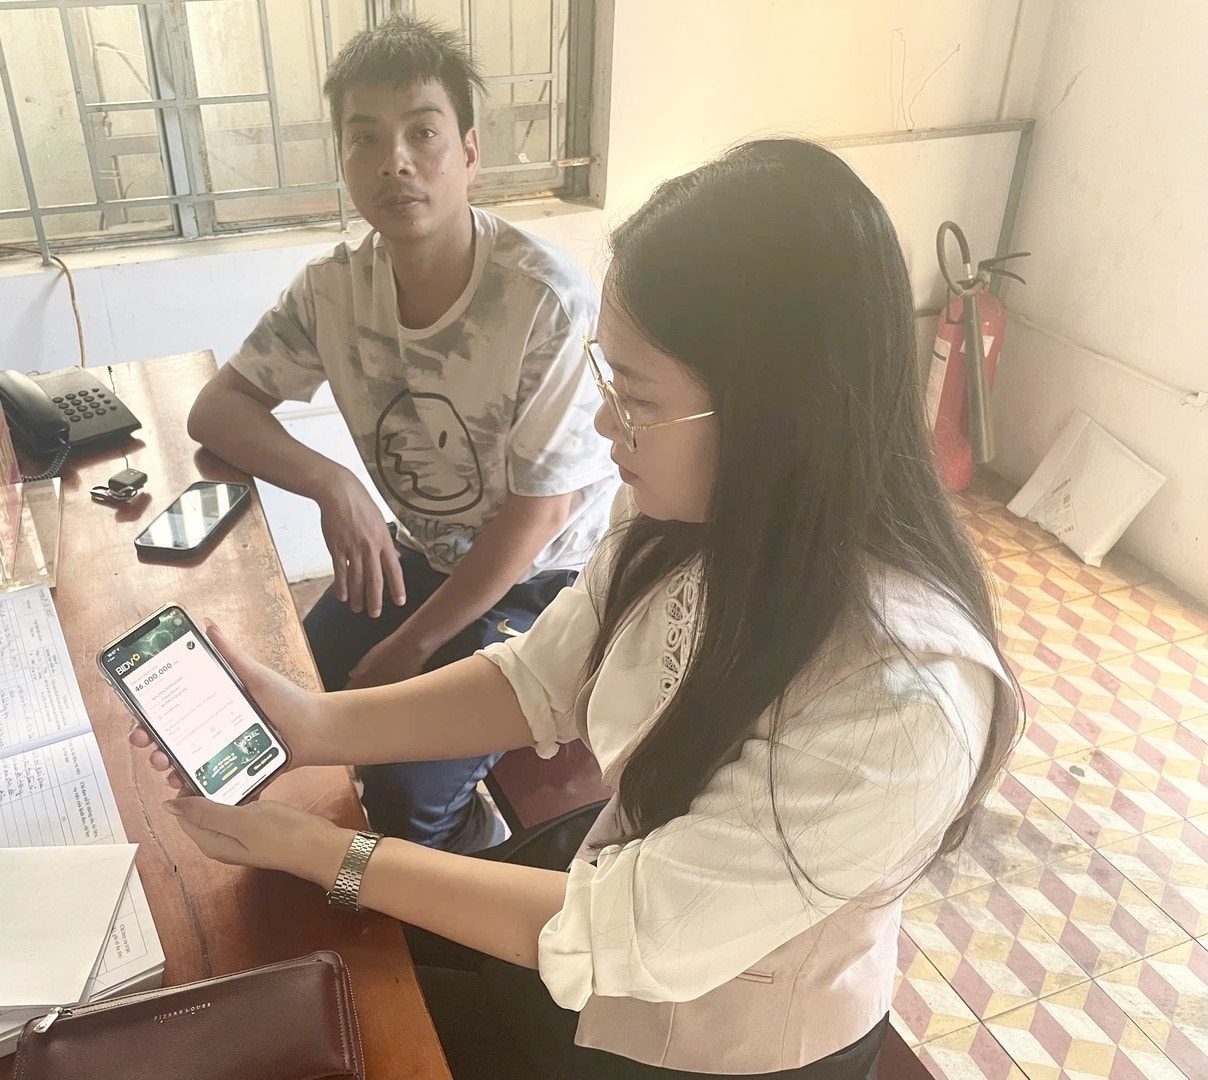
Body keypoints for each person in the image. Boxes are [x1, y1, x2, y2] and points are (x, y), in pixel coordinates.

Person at [136, 139, 1021, 1078]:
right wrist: (314, 725)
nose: (604, 424)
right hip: (600, 918)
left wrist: (330, 852)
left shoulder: (904, 702)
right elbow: (539, 679)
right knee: (302, 985)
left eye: (634, 397)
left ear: (774, 410)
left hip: (713, 1044)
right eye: (608, 379)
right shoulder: (688, 519)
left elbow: (631, 933)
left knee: (312, 1018)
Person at [185, 16, 616, 852]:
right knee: (283, 689)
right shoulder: (334, 291)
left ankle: (466, 859)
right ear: (345, 161)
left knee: (402, 790)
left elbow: (538, 517)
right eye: (366, 139)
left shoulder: (542, 302)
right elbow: (217, 410)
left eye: (423, 133)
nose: (396, 162)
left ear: (469, 152)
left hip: (548, 579)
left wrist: (411, 645)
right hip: (426, 549)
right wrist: (334, 483)